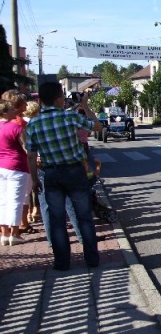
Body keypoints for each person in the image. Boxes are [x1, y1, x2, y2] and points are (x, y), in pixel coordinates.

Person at [25, 83, 102, 271]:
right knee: (84, 216)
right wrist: (85, 105)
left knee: (57, 219)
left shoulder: (33, 124)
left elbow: (31, 155)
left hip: (51, 173)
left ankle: (62, 262)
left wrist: (34, 180)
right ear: (59, 98)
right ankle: (92, 259)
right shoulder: (70, 117)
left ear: (41, 100)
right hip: (75, 172)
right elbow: (98, 126)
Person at [0, 99, 31, 246]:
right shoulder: (16, 127)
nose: (15, 111)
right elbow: (26, 148)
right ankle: (15, 234)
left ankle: (4, 234)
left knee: (2, 201)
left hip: (1, 167)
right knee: (16, 201)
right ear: (5, 112)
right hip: (17, 166)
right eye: (12, 109)